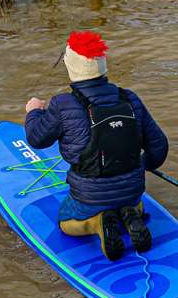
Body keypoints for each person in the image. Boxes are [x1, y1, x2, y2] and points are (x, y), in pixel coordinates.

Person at [23, 31, 168, 260]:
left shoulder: (62, 104)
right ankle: (129, 213)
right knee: (133, 205)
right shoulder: (130, 98)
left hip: (89, 200)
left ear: (72, 68)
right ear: (103, 67)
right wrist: (139, 166)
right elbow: (159, 148)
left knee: (64, 221)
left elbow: (36, 139)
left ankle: (97, 223)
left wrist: (34, 112)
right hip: (132, 194)